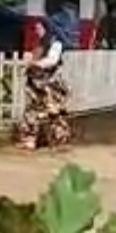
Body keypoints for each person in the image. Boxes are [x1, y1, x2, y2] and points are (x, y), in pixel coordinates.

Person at [18, 16, 71, 150]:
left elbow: (52, 60)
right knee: (31, 110)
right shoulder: (40, 44)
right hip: (34, 82)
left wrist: (36, 63)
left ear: (46, 28)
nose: (37, 30)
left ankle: (59, 140)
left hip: (50, 83)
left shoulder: (56, 43)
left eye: (39, 27)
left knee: (54, 111)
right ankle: (29, 140)